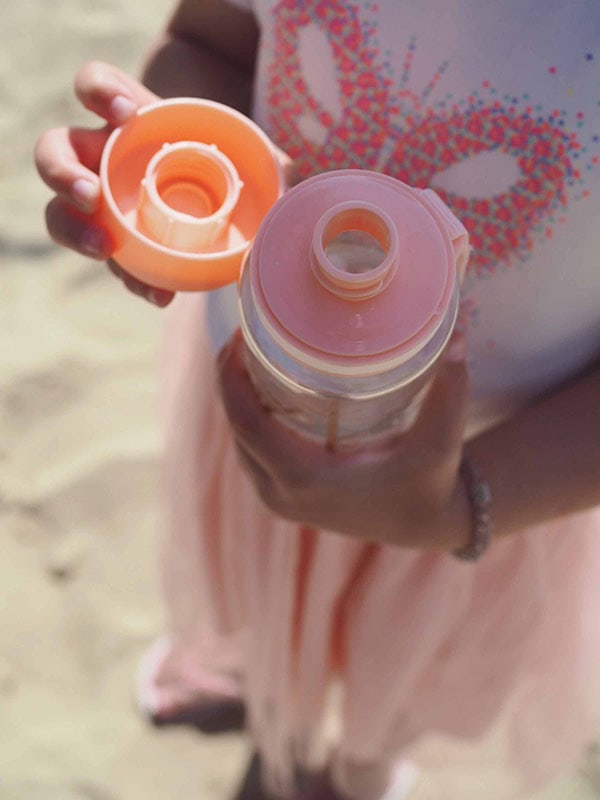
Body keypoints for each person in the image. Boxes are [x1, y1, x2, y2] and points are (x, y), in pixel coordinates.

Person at [35, 1, 600, 798]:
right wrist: (164, 149)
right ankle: (246, 671)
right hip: (267, 384)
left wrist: (447, 510)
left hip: (499, 464)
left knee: (405, 663)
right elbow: (209, 38)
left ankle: (359, 764)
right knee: (251, 573)